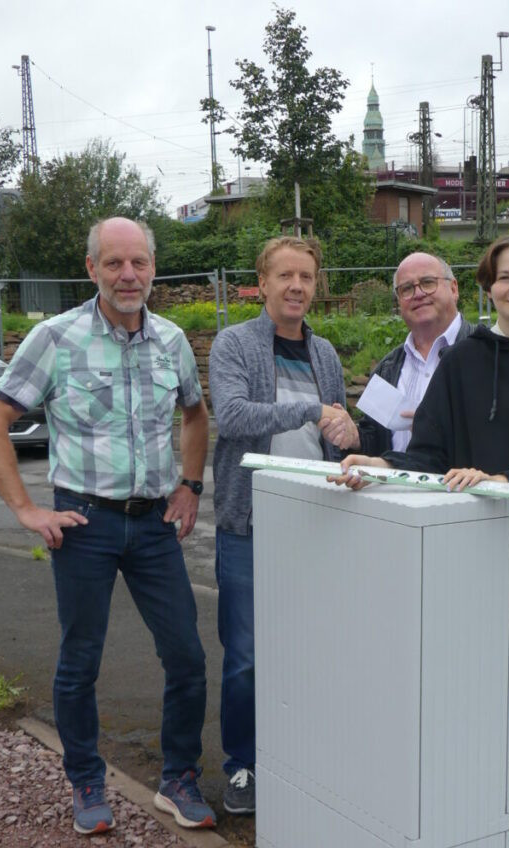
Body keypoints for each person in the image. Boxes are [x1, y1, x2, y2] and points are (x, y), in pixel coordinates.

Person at [333, 235, 509, 848]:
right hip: (475, 563)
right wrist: (383, 465)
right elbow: (429, 450)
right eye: (504, 277)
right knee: (498, 713)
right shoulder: (464, 363)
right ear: (486, 287)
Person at [0, 217, 216, 836]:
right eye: (113, 263)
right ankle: (86, 779)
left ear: (153, 267)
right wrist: (27, 510)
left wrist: (190, 487)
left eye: (137, 262)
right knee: (80, 659)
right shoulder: (56, 338)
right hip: (83, 521)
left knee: (188, 657)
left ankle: (178, 778)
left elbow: (195, 415)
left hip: (154, 524)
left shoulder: (170, 340)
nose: (128, 275)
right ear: (91, 270)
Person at [209, 235, 358, 816]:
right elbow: (234, 416)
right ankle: (243, 763)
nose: (297, 286)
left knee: (311, 649)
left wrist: (347, 440)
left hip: (315, 523)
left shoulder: (323, 354)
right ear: (263, 283)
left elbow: (333, 427)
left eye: (306, 277)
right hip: (250, 525)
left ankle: (299, 754)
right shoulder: (234, 343)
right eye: (285, 276)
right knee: (246, 655)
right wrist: (311, 411)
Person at [357, 252, 474, 456]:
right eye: (407, 289)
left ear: (454, 288)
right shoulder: (388, 368)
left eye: (428, 282)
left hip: (462, 486)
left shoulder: (485, 353)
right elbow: (373, 440)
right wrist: (354, 438)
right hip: (396, 486)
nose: (418, 294)